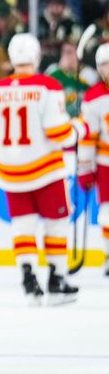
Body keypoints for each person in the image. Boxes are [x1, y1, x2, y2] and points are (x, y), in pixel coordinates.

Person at [0, 33, 86, 306]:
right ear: (37, 56)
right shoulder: (47, 86)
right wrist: (78, 128)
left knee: (22, 226)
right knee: (57, 224)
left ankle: (28, 279)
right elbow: (58, 132)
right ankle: (56, 278)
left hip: (11, 172)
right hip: (46, 170)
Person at [77, 43, 109, 278]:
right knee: (107, 213)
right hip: (106, 163)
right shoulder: (93, 97)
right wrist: (85, 169)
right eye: (104, 65)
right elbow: (88, 137)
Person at [44, 41, 98, 118]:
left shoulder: (88, 73)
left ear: (78, 54)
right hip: (58, 119)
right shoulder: (53, 70)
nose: (65, 55)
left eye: (69, 52)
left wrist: (73, 75)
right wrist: (61, 71)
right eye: (63, 51)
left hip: (82, 120)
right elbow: (44, 91)